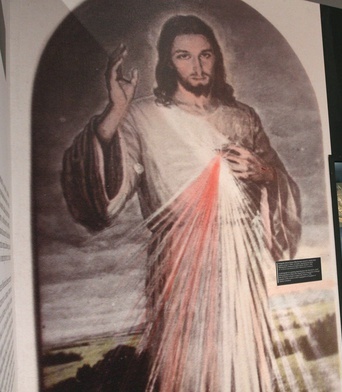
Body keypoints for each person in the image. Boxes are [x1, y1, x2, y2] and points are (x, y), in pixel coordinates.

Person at [61, 14, 302, 391]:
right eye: (184, 56)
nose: (198, 66)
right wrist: (115, 112)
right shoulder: (141, 116)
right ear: (167, 62)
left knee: (243, 360)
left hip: (239, 259)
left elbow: (278, 183)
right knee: (188, 367)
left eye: (205, 55)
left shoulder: (241, 117)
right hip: (179, 258)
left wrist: (263, 173)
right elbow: (102, 201)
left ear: (217, 59)